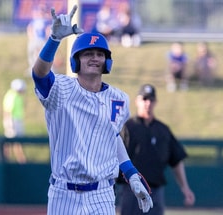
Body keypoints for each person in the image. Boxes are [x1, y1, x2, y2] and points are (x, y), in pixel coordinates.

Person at [31, 5, 153, 214]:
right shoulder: (61, 89)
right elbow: (39, 74)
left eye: (99, 54)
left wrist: (131, 174)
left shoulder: (119, 99)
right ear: (76, 60)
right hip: (64, 193)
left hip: (102, 193)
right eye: (87, 54)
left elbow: (112, 137)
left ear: (107, 61)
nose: (94, 58)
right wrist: (54, 39)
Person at [118, 84, 195, 215]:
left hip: (155, 191)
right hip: (131, 191)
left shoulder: (162, 130)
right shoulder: (127, 127)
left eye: (151, 99)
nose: (148, 103)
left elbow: (176, 160)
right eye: (145, 99)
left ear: (155, 102)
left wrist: (185, 188)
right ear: (137, 101)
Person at [3, 78, 27, 163]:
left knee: (17, 141)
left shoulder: (17, 96)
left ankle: (20, 160)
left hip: (17, 120)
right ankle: (20, 160)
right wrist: (9, 124)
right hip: (12, 121)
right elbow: (8, 111)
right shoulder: (11, 96)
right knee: (12, 142)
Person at [26, 5, 51, 75]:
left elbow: (48, 30)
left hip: (42, 40)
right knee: (32, 54)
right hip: (34, 40)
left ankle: (44, 70)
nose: (40, 13)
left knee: (42, 55)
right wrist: (31, 37)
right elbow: (29, 28)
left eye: (42, 11)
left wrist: (47, 39)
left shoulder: (46, 21)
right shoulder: (34, 20)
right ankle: (32, 68)